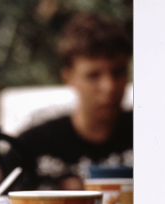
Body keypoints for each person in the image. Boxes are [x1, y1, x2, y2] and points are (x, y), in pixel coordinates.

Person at [11, 12, 132, 191]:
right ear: (68, 77)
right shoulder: (32, 146)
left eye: (118, 72)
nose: (109, 86)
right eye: (93, 75)